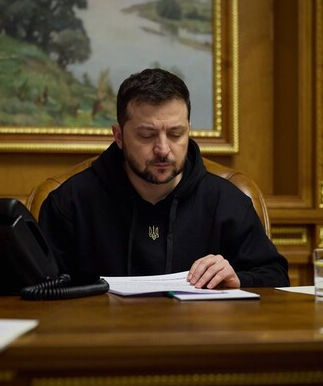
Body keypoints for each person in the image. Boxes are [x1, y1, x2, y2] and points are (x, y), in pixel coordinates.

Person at [39, 68, 289, 289]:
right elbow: (40, 288)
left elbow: (275, 275)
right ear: (119, 136)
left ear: (189, 131)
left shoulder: (226, 201)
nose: (162, 149)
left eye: (175, 134)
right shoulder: (70, 203)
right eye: (147, 135)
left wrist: (238, 279)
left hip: (199, 328)